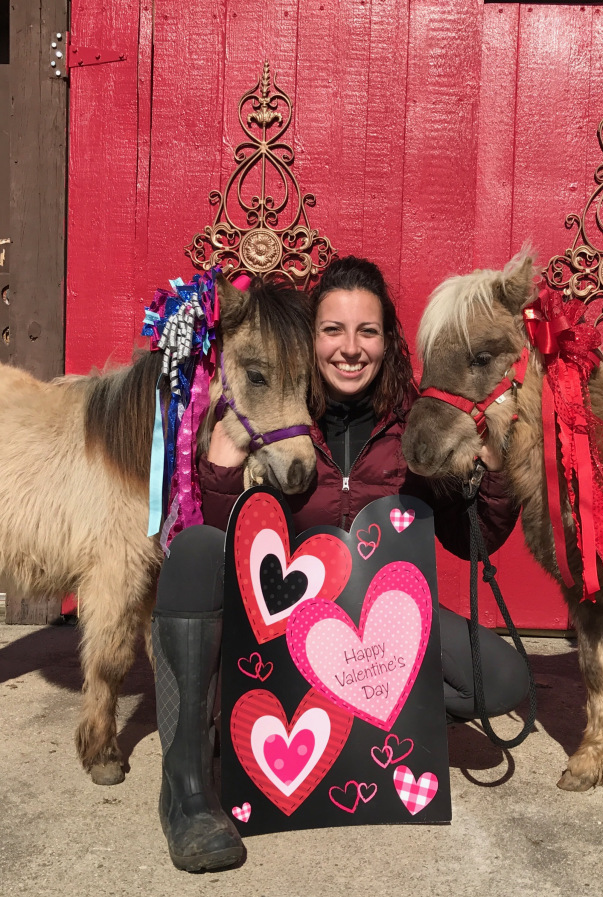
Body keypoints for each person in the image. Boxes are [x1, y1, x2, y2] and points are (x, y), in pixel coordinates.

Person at [151, 257, 530, 872]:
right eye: (332, 330)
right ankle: (188, 791)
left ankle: (363, 715)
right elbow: (230, 549)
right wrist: (221, 471)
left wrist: (494, 475)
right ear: (310, 338)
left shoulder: (414, 424)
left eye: (367, 331)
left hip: (383, 628)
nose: (350, 349)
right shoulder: (277, 413)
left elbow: (469, 540)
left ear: (388, 341)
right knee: (194, 552)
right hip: (284, 628)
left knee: (505, 681)